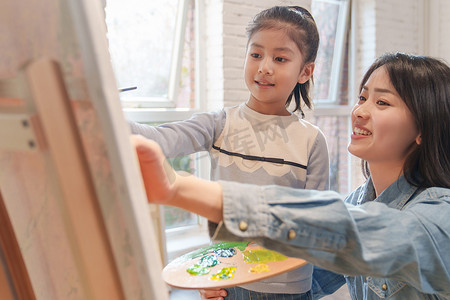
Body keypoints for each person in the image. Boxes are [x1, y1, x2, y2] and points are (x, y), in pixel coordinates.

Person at [131, 52, 450, 300]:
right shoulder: (360, 201)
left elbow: (347, 231)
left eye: (382, 102)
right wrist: (230, 281)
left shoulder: (440, 216)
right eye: (362, 97)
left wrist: (180, 188)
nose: (360, 111)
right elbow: (303, 284)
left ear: (423, 128)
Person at [130, 6, 328, 300]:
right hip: (226, 284)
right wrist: (104, 114)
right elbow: (160, 139)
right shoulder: (219, 124)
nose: (264, 67)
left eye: (280, 58)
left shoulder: (312, 140)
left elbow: (317, 223)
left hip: (288, 290)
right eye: (256, 54)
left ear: (305, 71)